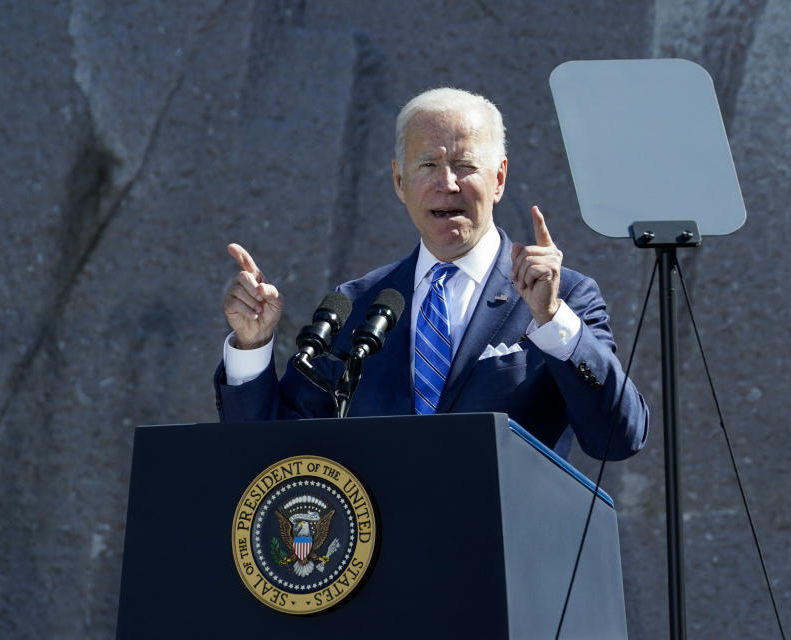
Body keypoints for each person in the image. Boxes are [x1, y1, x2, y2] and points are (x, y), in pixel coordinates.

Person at [215, 87, 647, 461]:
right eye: (427, 166)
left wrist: (552, 319)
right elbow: (272, 451)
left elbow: (618, 438)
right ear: (399, 181)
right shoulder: (360, 305)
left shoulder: (564, 297)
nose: (448, 183)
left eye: (465, 165)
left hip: (504, 549)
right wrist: (252, 345)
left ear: (498, 179)